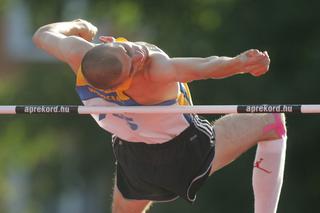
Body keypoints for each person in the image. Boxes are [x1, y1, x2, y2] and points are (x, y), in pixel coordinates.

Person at [33, 19, 287, 213]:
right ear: (121, 85)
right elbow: (205, 68)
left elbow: (42, 35)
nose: (138, 54)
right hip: (185, 152)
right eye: (132, 63)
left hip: (134, 157)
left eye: (126, 49)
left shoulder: (79, 56)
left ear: (108, 42)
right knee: (272, 121)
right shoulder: (154, 72)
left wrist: (77, 25)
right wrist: (239, 63)